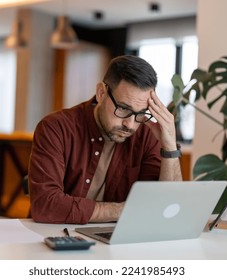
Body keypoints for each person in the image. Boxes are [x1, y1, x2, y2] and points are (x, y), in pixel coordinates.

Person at [28, 55, 182, 224]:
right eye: (123, 108)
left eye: (141, 113)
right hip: (54, 237)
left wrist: (170, 147)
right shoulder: (56, 128)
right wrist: (124, 210)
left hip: (118, 240)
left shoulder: (146, 133)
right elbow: (46, 205)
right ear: (101, 93)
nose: (130, 124)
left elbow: (168, 208)